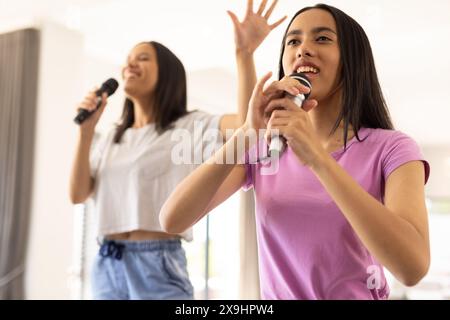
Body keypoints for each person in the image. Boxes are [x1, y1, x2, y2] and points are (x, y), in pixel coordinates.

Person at [160, 3, 431, 300]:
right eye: (293, 41)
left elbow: (412, 268)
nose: (303, 49)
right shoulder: (265, 149)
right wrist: (249, 131)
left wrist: (317, 158)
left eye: (323, 38)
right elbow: (172, 220)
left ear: (352, 60)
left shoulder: (392, 148)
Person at [69, 0, 285, 300]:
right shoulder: (110, 138)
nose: (129, 64)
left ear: (167, 74)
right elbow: (78, 194)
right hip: (107, 261)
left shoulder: (189, 125)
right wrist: (86, 131)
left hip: (157, 262)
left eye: (142, 58)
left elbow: (248, 126)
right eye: (128, 59)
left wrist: (244, 54)